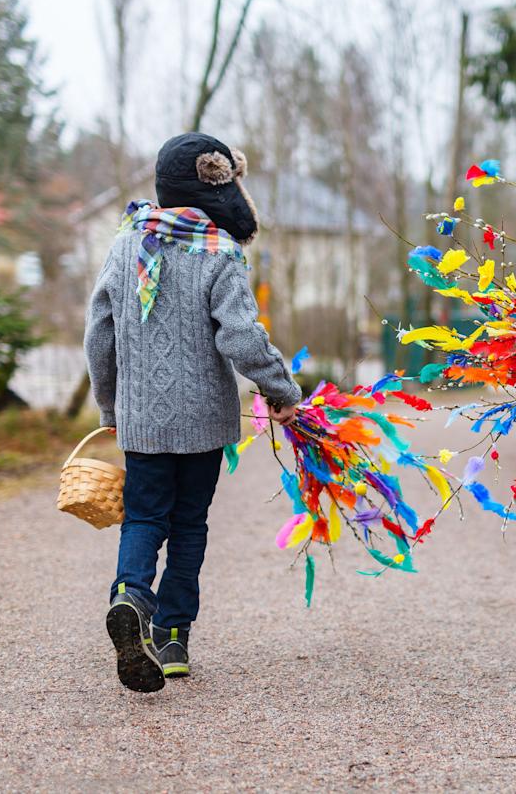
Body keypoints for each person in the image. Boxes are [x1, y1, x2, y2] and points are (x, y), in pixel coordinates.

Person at [84, 132, 302, 693]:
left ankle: (131, 597)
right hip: (203, 422)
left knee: (143, 517)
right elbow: (242, 338)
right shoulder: (220, 253)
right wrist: (280, 389)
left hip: (141, 420)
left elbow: (98, 335)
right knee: (188, 525)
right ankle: (174, 636)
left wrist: (110, 404)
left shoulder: (125, 245)